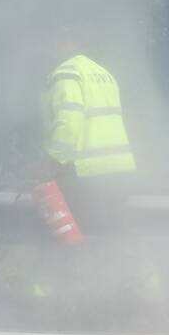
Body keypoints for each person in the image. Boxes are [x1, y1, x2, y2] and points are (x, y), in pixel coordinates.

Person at [39, 32, 136, 237]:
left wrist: (51, 160)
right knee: (117, 238)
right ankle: (132, 270)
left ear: (62, 43)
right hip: (119, 169)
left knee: (85, 240)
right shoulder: (103, 73)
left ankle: (87, 270)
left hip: (87, 174)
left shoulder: (66, 73)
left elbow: (69, 122)